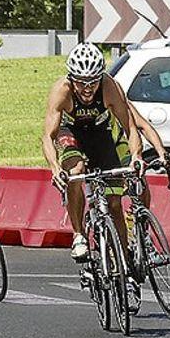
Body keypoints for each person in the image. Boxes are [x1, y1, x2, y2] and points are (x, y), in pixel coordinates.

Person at [41, 42, 144, 309]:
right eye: (81, 83)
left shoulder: (109, 87)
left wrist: (135, 156)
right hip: (69, 133)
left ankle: (123, 263)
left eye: (92, 82)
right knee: (75, 171)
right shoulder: (61, 91)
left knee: (114, 204)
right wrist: (54, 168)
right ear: (71, 78)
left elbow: (130, 127)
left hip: (99, 135)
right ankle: (78, 234)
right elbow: (47, 136)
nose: (87, 89)